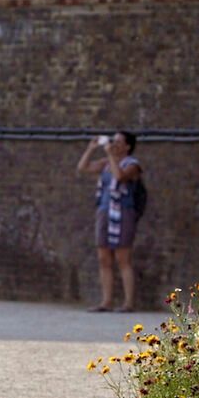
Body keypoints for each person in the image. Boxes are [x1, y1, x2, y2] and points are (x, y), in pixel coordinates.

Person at [77, 130, 143, 312]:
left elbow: (120, 177)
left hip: (123, 213)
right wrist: (91, 149)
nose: (114, 144)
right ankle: (106, 301)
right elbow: (83, 168)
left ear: (127, 146)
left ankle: (128, 303)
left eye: (118, 141)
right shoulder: (106, 163)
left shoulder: (133, 165)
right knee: (103, 257)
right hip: (105, 211)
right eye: (113, 141)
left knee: (123, 258)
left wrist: (110, 156)